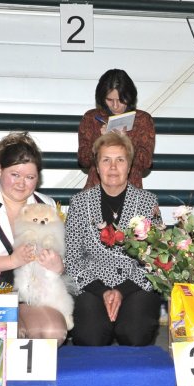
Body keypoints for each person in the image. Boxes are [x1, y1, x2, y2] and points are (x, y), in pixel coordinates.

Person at [0, 132, 69, 346]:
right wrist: (11, 261)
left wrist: (58, 266)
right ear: (0, 169)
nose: (22, 183)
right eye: (15, 175)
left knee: (54, 331)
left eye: (30, 177)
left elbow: (58, 262)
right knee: (7, 334)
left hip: (29, 297)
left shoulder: (47, 205)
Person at [65, 131, 163, 346]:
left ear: (129, 166)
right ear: (97, 167)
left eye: (120, 160)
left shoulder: (148, 202)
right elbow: (72, 258)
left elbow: (155, 258)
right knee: (90, 335)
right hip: (91, 284)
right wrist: (103, 291)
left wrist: (120, 291)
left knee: (135, 333)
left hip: (136, 284)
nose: (112, 167)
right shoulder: (79, 203)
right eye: (106, 160)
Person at [78, 68, 155, 189]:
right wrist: (101, 141)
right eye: (109, 100)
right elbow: (83, 160)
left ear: (129, 97)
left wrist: (125, 141)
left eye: (120, 100)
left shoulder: (142, 120)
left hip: (131, 193)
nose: (115, 105)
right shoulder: (92, 118)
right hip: (96, 192)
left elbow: (145, 163)